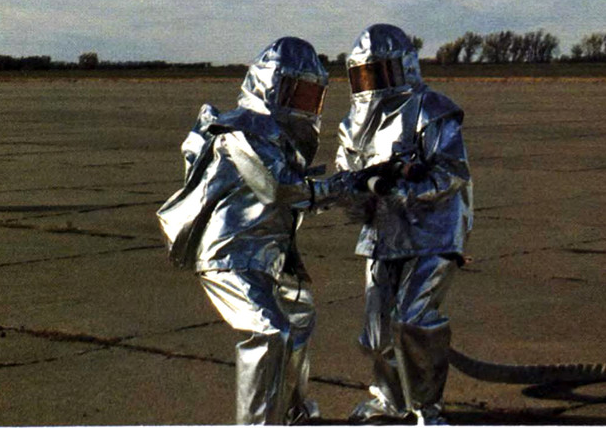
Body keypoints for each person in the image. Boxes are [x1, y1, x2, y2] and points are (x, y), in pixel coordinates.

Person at [157, 37, 357, 425]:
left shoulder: (276, 137)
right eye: (297, 93)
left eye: (312, 97)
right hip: (229, 255)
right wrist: (342, 185)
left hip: (268, 256)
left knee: (299, 315)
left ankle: (292, 411)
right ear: (271, 85)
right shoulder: (241, 130)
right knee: (269, 332)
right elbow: (281, 189)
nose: (305, 106)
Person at [335, 24, 473, 425]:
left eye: (380, 71)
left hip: (433, 234)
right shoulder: (354, 123)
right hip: (382, 236)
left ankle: (426, 409)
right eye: (363, 74)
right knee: (377, 332)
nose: (372, 83)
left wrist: (399, 189)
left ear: (403, 67)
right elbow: (347, 176)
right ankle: (389, 399)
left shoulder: (432, 110)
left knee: (413, 321)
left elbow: (451, 173)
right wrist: (355, 195)